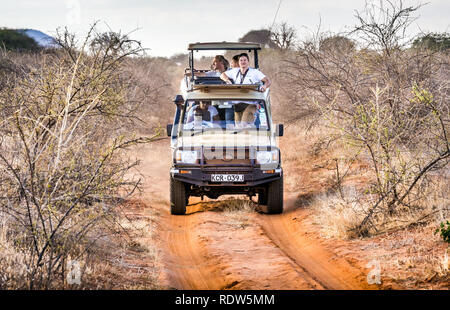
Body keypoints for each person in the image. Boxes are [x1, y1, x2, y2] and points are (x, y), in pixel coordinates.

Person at [220, 53, 271, 127]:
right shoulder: (235, 71)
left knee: (243, 125)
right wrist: (228, 81)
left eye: (245, 60)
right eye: (241, 60)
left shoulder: (254, 72)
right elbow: (222, 75)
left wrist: (264, 87)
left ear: (248, 62)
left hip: (250, 103)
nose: (243, 62)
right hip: (237, 105)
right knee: (238, 127)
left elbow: (268, 81)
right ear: (238, 62)